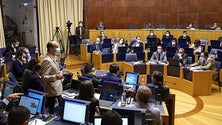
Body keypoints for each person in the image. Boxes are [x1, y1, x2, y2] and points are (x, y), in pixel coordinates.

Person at [41, 41, 64, 114]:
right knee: (52, 112)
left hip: (57, 88)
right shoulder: (47, 60)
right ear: (50, 48)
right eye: (57, 47)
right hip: (52, 91)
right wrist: (55, 77)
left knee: (60, 109)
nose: (58, 49)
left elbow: (54, 71)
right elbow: (44, 77)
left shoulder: (54, 57)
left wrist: (61, 72)